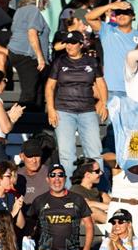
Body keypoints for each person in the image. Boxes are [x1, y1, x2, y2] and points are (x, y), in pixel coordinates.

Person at [45, 30, 107, 173]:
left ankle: (98, 188)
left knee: (94, 152)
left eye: (73, 43)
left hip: (88, 111)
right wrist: (51, 110)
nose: (69, 46)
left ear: (80, 44)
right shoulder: (59, 61)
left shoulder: (91, 61)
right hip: (64, 111)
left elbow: (101, 83)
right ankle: (69, 190)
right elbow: (50, 87)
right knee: (66, 154)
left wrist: (104, 103)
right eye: (67, 43)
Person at [27, 162, 93, 250]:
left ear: (65, 178)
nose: (56, 178)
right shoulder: (39, 200)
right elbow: (30, 226)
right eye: (52, 175)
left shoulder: (77, 199)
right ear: (47, 179)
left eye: (60, 175)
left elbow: (89, 226)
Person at [6, 0, 50, 110]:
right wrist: (40, 57)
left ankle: (36, 122)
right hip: (27, 54)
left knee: (37, 91)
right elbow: (32, 33)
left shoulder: (20, 10)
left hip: (19, 53)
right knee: (29, 93)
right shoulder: (33, 10)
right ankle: (22, 123)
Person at [71, 158, 112, 225]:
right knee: (92, 211)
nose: (101, 173)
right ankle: (116, 225)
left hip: (97, 224)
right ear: (87, 175)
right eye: (97, 171)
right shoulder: (75, 189)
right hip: (80, 225)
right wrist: (108, 207)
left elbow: (111, 204)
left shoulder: (98, 191)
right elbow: (86, 204)